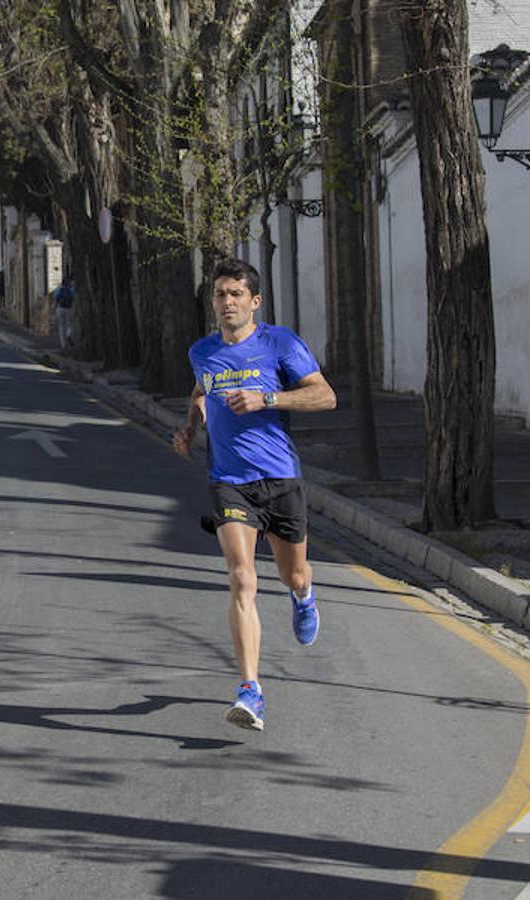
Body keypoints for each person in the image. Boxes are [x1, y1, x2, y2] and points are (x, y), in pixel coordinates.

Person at [171, 258, 336, 732]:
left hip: (280, 478)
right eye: (220, 295)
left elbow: (326, 396)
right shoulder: (202, 352)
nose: (226, 303)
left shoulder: (280, 343)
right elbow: (201, 392)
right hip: (229, 480)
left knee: (292, 572)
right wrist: (189, 428)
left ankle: (304, 595)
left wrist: (270, 399)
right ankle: (250, 690)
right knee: (242, 579)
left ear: (254, 302)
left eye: (235, 295)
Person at [52, 275, 75, 349]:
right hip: (68, 308)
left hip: (60, 309)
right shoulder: (71, 290)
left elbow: (55, 300)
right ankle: (69, 335)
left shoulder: (58, 289)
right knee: (69, 324)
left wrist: (53, 310)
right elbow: (73, 298)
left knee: (61, 326)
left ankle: (63, 345)